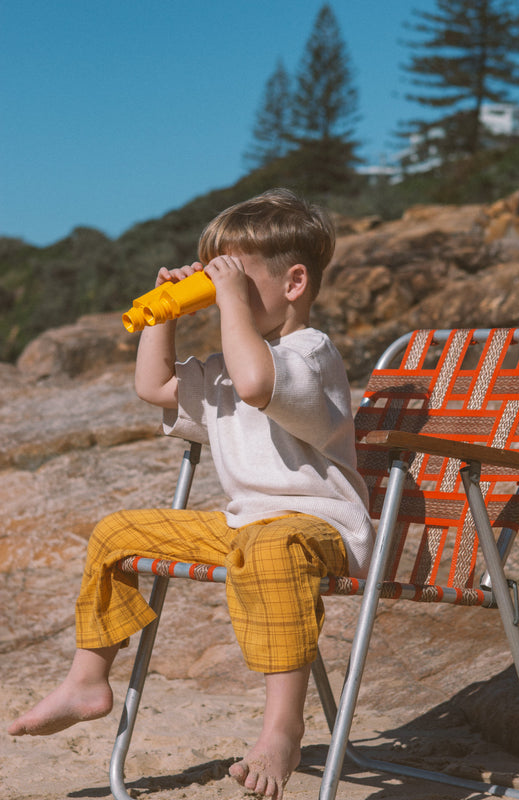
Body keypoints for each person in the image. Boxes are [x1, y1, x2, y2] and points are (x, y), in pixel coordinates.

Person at [8, 188, 375, 800]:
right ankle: (87, 679)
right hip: (245, 525)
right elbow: (154, 386)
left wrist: (227, 301)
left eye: (236, 277)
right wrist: (165, 313)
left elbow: (261, 382)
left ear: (294, 283)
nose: (219, 288)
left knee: (273, 545)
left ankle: (283, 724)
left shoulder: (309, 357)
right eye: (214, 276)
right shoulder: (230, 364)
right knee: (116, 532)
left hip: (319, 530)